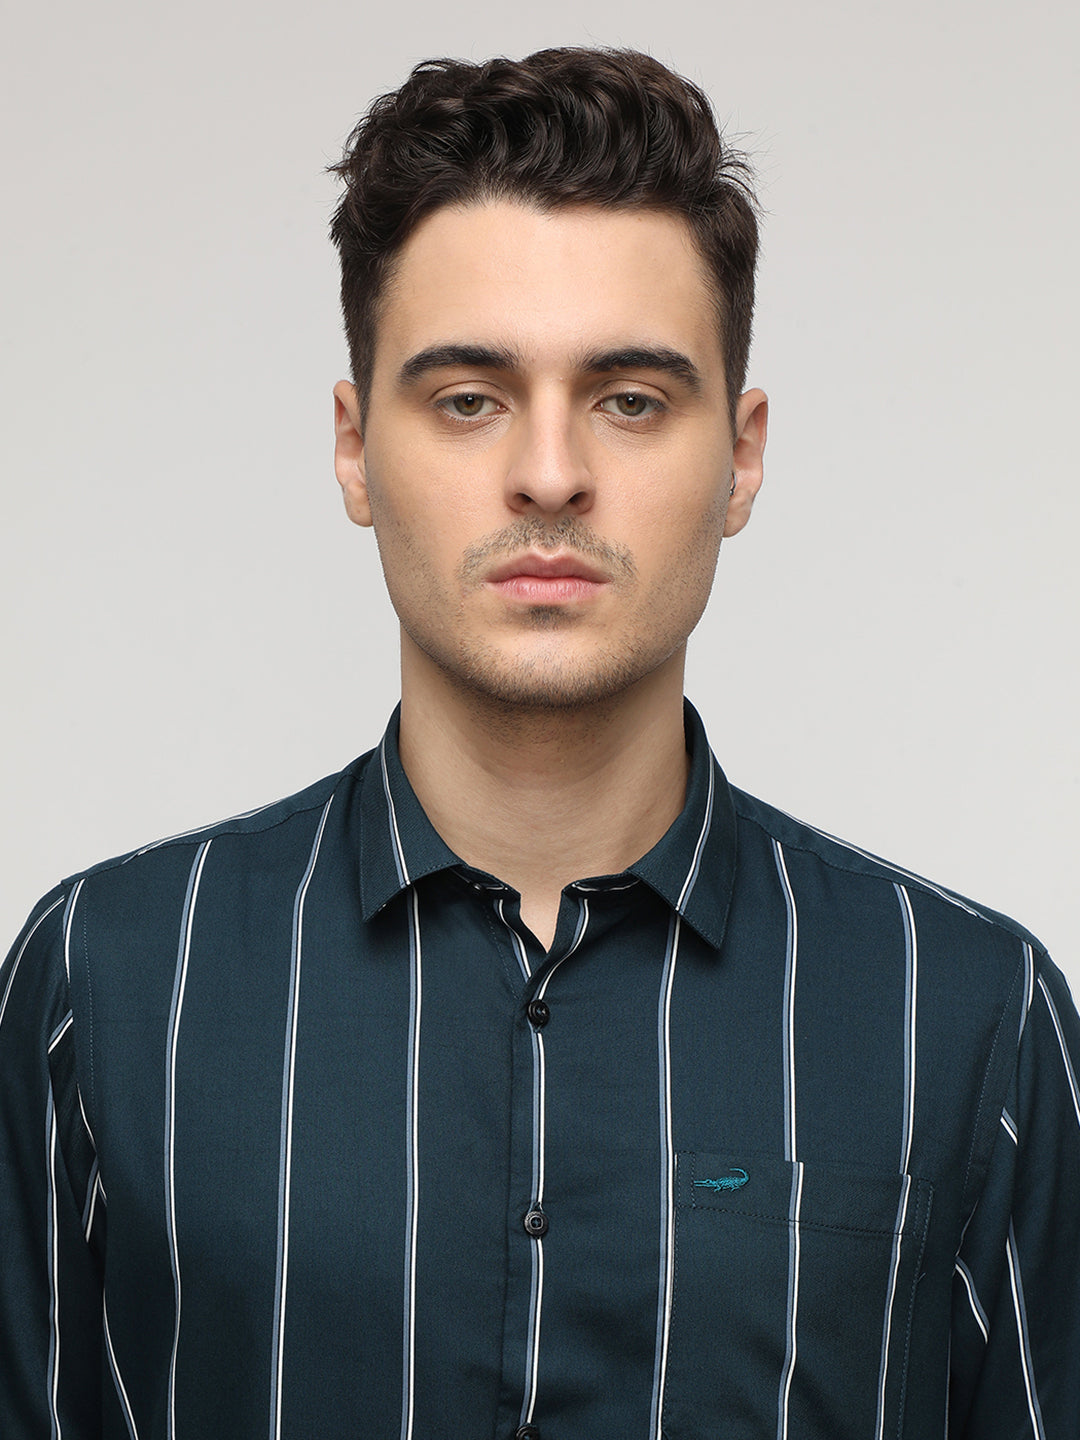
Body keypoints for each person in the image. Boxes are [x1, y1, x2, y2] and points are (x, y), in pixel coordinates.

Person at [1, 46, 1077, 1440]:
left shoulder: (973, 1018)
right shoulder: (108, 986)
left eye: (631, 400)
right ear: (354, 447)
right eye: (468, 398)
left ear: (743, 455)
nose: (551, 474)